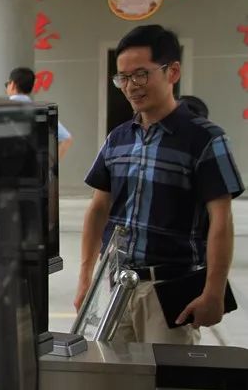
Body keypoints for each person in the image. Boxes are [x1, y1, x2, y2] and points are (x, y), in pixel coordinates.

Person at [75, 24, 243, 344]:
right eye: (122, 78)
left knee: (165, 388)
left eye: (140, 74)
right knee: (112, 382)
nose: (130, 86)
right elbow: (98, 209)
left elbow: (222, 220)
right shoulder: (118, 139)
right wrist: (86, 278)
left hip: (170, 292)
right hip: (117, 286)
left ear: (173, 72)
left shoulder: (205, 139)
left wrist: (214, 291)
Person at [5, 67, 73, 159]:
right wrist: (49, 165)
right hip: (34, 170)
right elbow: (67, 139)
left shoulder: (0, 110)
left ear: (12, 84)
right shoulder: (42, 112)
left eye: (7, 84)